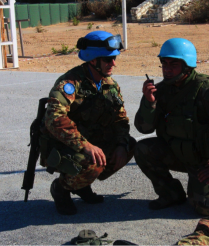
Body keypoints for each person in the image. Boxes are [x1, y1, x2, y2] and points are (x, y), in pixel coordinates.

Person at [133, 38, 209, 215]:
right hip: (176, 153)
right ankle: (170, 194)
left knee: (207, 207)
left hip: (203, 160)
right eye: (164, 63)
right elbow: (143, 129)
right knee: (142, 148)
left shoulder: (208, 91)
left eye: (173, 64)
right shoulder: (160, 90)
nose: (167, 69)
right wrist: (148, 103)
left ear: (187, 65)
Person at [39, 31, 136, 215]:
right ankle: (61, 188)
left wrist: (122, 144)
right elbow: (54, 119)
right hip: (65, 144)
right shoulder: (70, 83)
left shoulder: (110, 85)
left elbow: (120, 120)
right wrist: (85, 146)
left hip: (90, 140)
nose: (113, 63)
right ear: (93, 60)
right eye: (108, 59)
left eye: (114, 58)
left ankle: (82, 184)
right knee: (93, 161)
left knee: (130, 145)